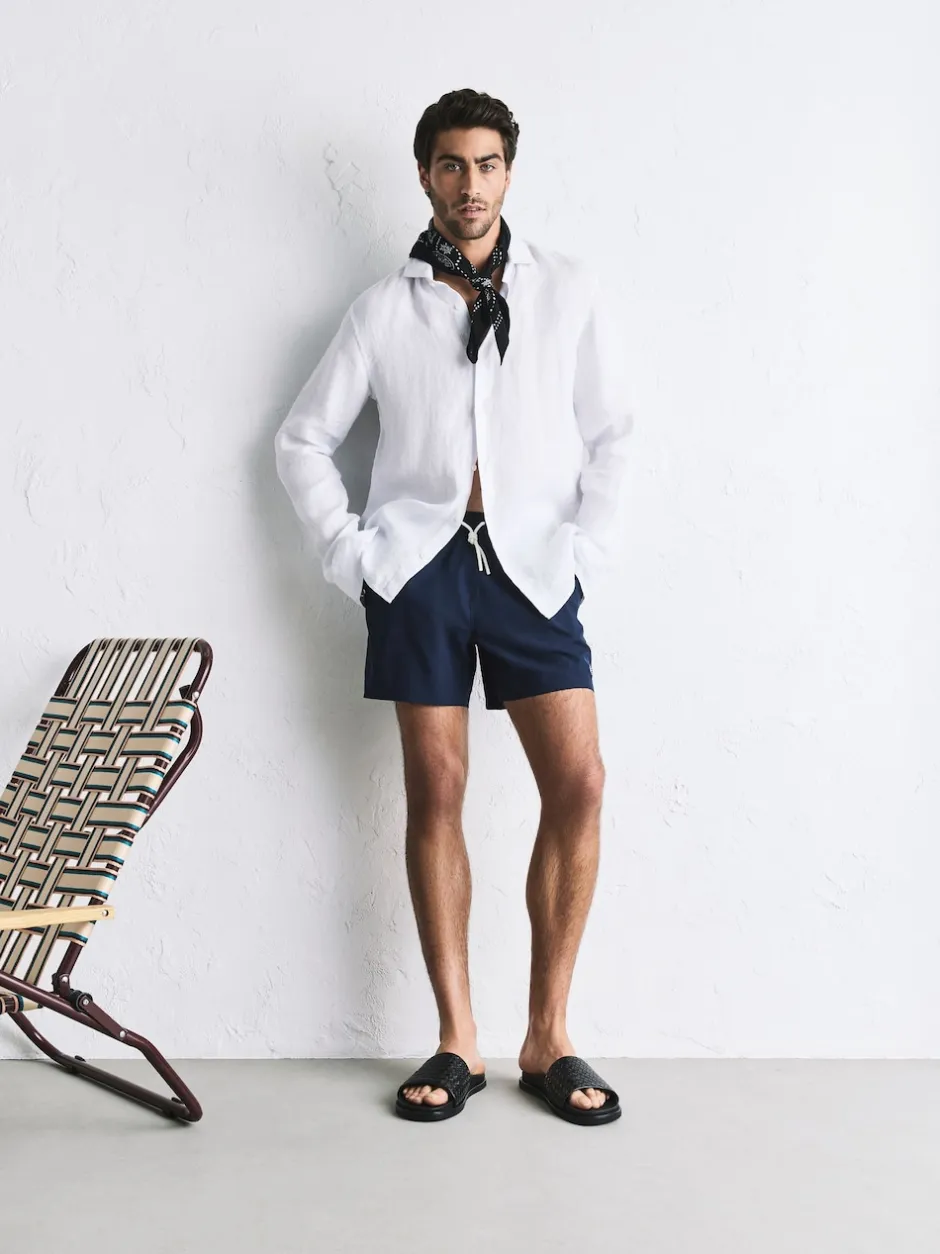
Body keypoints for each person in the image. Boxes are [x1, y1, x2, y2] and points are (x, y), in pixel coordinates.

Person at [275, 88, 633, 1126]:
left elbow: (616, 432)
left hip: (534, 571)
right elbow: (301, 440)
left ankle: (548, 1034)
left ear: (508, 172)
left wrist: (584, 553)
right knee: (435, 791)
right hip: (420, 570)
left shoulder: (567, 290)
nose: (468, 184)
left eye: (485, 164)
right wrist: (355, 559)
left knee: (581, 783)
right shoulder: (382, 311)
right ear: (424, 175)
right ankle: (457, 1038)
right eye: (449, 164)